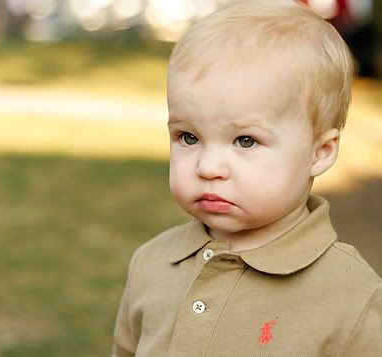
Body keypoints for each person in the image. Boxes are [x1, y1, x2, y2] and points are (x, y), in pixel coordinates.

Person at [112, 0, 382, 356]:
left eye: (245, 141)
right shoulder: (152, 263)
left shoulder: (351, 295)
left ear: (321, 151)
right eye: (188, 137)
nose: (208, 167)